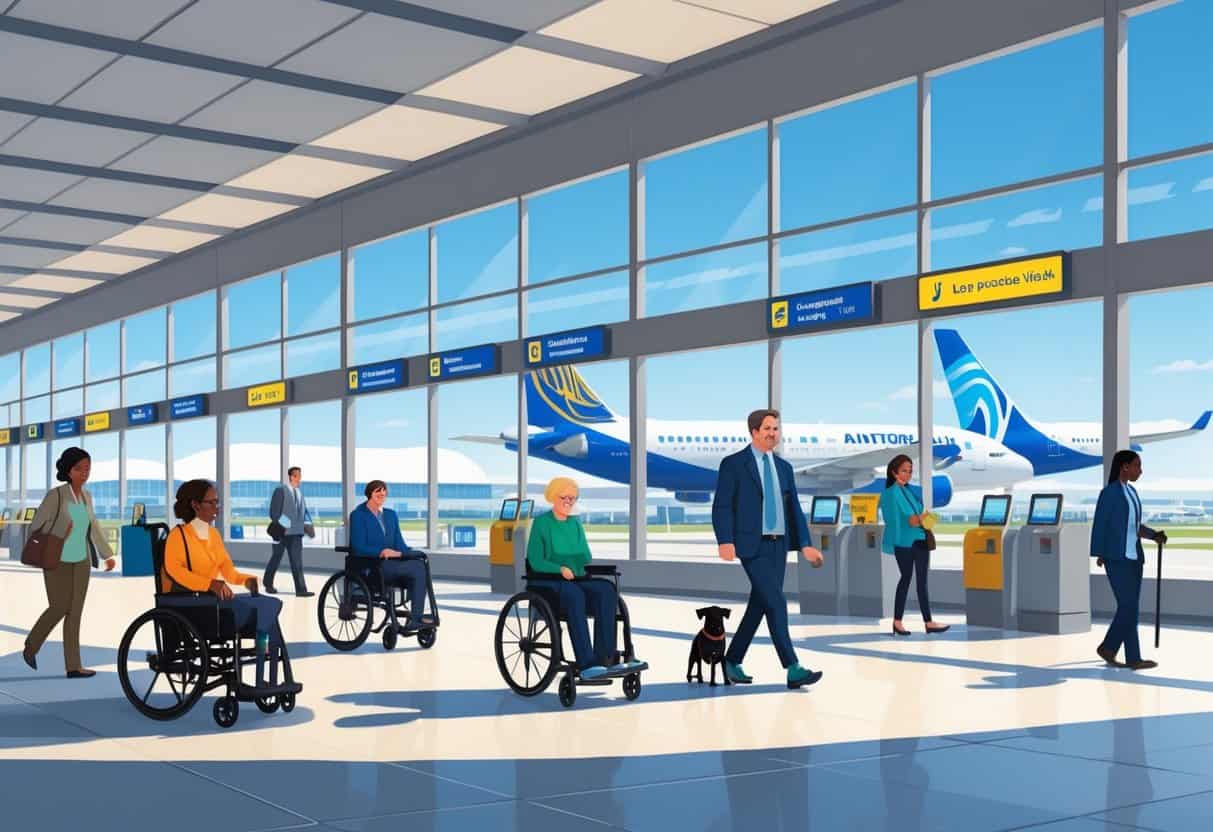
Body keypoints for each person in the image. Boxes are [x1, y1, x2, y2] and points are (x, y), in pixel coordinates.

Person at [712, 409, 824, 689]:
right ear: (753, 432)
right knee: (776, 602)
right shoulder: (734, 464)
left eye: (776, 428)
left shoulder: (784, 468)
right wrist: (724, 540)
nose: (773, 433)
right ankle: (793, 667)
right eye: (767, 428)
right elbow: (722, 505)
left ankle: (732, 659)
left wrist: (805, 545)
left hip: (779, 544)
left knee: (760, 603)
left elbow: (793, 508)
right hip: (752, 545)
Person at [164, 479, 285, 685]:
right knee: (264, 609)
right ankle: (262, 671)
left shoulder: (213, 535)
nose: (217, 508)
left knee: (268, 604)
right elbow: (175, 571)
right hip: (195, 604)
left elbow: (228, 571)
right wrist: (210, 584)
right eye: (212, 503)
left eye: (217, 503)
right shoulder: (178, 536)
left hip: (215, 601)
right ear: (195, 505)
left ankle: (269, 673)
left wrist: (246, 580)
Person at [527, 477, 645, 680]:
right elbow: (536, 561)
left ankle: (606, 658)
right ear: (553, 497)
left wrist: (573, 561)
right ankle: (586, 663)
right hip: (547, 581)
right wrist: (559, 567)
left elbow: (586, 556)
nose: (569, 501)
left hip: (576, 579)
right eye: (564, 497)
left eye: (572, 498)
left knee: (606, 589)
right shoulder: (541, 523)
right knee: (575, 595)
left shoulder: (575, 524)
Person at [23, 447, 116, 678]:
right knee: (59, 607)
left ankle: (73, 666)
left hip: (81, 560)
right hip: (56, 558)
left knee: (75, 612)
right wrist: (64, 530)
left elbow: (94, 527)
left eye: (87, 469)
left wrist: (107, 554)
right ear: (68, 470)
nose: (84, 473)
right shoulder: (56, 495)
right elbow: (36, 526)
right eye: (79, 468)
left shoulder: (87, 497)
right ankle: (31, 645)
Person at [1092, 450, 1166, 670]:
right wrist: (1100, 553)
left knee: (1130, 608)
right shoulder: (1109, 493)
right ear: (1124, 467)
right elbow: (1100, 524)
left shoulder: (1132, 492)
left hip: (1134, 559)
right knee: (1128, 606)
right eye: (1137, 466)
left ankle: (1131, 656)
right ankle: (1111, 648)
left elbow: (1135, 527)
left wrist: (1153, 535)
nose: (1140, 471)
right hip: (1116, 558)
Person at [879, 454, 950, 636]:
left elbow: (918, 515)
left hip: (919, 540)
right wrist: (927, 518)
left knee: (921, 582)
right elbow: (911, 519)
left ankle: (928, 622)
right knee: (906, 579)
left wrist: (924, 518)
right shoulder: (893, 493)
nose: (908, 474)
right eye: (904, 471)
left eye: (910, 471)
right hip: (905, 541)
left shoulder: (908, 491)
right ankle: (897, 622)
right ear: (894, 472)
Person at [349, 480, 433, 626]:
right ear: (369, 494)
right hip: (372, 565)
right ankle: (416, 618)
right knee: (418, 568)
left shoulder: (390, 515)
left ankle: (416, 616)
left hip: (391, 564)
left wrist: (410, 553)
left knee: (419, 564)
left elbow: (399, 543)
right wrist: (381, 552)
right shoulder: (358, 515)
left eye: (384, 491)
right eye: (377, 491)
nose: (382, 494)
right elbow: (358, 546)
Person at [265, 466, 314, 597]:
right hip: (281, 533)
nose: (300, 479)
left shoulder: (299, 493)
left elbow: (304, 512)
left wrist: (308, 526)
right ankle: (267, 583)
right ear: (291, 476)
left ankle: (301, 590)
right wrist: (287, 525)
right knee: (276, 559)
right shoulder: (280, 490)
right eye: (297, 476)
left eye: (300, 476)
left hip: (296, 533)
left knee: (297, 562)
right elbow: (274, 513)